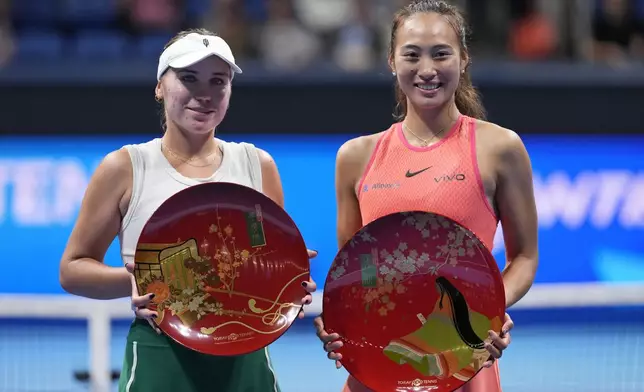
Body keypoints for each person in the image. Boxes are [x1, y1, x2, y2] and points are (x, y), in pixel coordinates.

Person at [58, 28, 317, 392]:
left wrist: (287, 280)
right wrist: (136, 281)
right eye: (188, 78)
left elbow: (266, 265)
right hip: (159, 355)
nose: (204, 95)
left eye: (218, 81)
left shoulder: (258, 165)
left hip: (246, 360)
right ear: (159, 86)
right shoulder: (124, 167)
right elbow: (72, 270)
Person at [313, 1, 538, 391]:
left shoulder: (500, 147)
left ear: (464, 59)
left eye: (441, 54)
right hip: (380, 362)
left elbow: (524, 257)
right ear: (391, 61)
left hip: (465, 359)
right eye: (412, 55)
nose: (427, 69)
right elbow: (356, 274)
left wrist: (489, 311)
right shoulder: (354, 157)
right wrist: (340, 327)